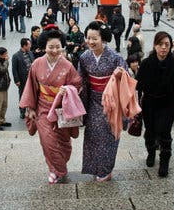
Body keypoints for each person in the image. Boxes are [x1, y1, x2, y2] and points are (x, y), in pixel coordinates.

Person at [19, 29, 82, 184]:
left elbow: (77, 85)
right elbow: (31, 87)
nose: (54, 51)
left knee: (64, 143)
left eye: (58, 47)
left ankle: (56, 167)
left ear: (62, 47)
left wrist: (68, 90)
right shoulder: (37, 64)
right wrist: (31, 108)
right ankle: (57, 170)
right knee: (48, 142)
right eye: (50, 47)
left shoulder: (67, 66)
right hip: (43, 108)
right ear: (43, 47)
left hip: (61, 109)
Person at [78, 21, 127, 182]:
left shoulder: (115, 57)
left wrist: (121, 75)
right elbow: (81, 80)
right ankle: (94, 167)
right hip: (93, 100)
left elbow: (127, 77)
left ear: (103, 38)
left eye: (95, 38)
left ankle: (105, 169)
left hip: (111, 101)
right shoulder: (85, 57)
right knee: (91, 134)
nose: (91, 42)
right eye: (88, 38)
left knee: (109, 135)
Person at [136, 31, 174, 177]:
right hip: (149, 103)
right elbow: (138, 85)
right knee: (150, 132)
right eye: (160, 44)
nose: (163, 47)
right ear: (155, 45)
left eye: (167, 45)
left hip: (168, 102)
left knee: (164, 133)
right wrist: (136, 104)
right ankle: (151, 153)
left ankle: (164, 163)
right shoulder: (146, 63)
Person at [12, 38, 35, 119]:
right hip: (22, 79)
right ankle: (22, 110)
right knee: (22, 94)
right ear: (24, 45)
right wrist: (16, 80)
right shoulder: (16, 56)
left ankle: (31, 109)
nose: (30, 46)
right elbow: (14, 69)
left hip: (32, 78)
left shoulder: (31, 53)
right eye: (29, 45)